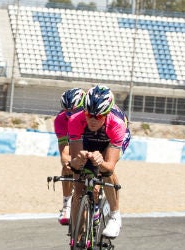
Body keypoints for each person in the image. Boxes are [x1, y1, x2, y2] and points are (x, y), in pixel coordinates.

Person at [67, 85, 130, 238]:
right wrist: (79, 159)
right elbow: (74, 165)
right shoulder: (76, 120)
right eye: (89, 114)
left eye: (99, 117)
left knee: (106, 172)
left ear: (107, 114)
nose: (92, 120)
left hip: (109, 139)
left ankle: (115, 215)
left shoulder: (117, 123)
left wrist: (101, 162)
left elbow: (108, 166)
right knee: (78, 184)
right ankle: (78, 236)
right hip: (87, 140)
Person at [54, 87, 85, 225]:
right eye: (67, 111)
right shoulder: (61, 120)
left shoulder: (91, 116)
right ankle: (66, 205)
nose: (70, 115)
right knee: (67, 164)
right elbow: (64, 151)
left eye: (74, 111)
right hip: (74, 141)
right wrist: (69, 163)